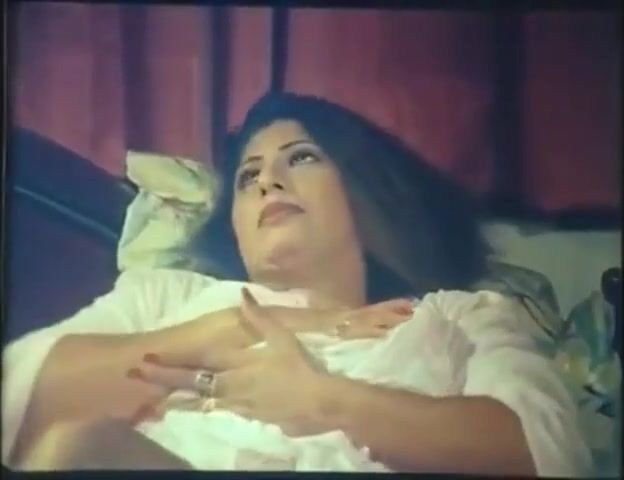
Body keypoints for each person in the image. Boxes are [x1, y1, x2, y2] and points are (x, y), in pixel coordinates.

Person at [2, 93, 591, 475]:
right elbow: (17, 402)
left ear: (363, 188)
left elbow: (547, 454)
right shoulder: (167, 295)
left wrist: (322, 400)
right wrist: (216, 332)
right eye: (248, 176)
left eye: (301, 157)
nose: (268, 182)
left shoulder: (460, 315)